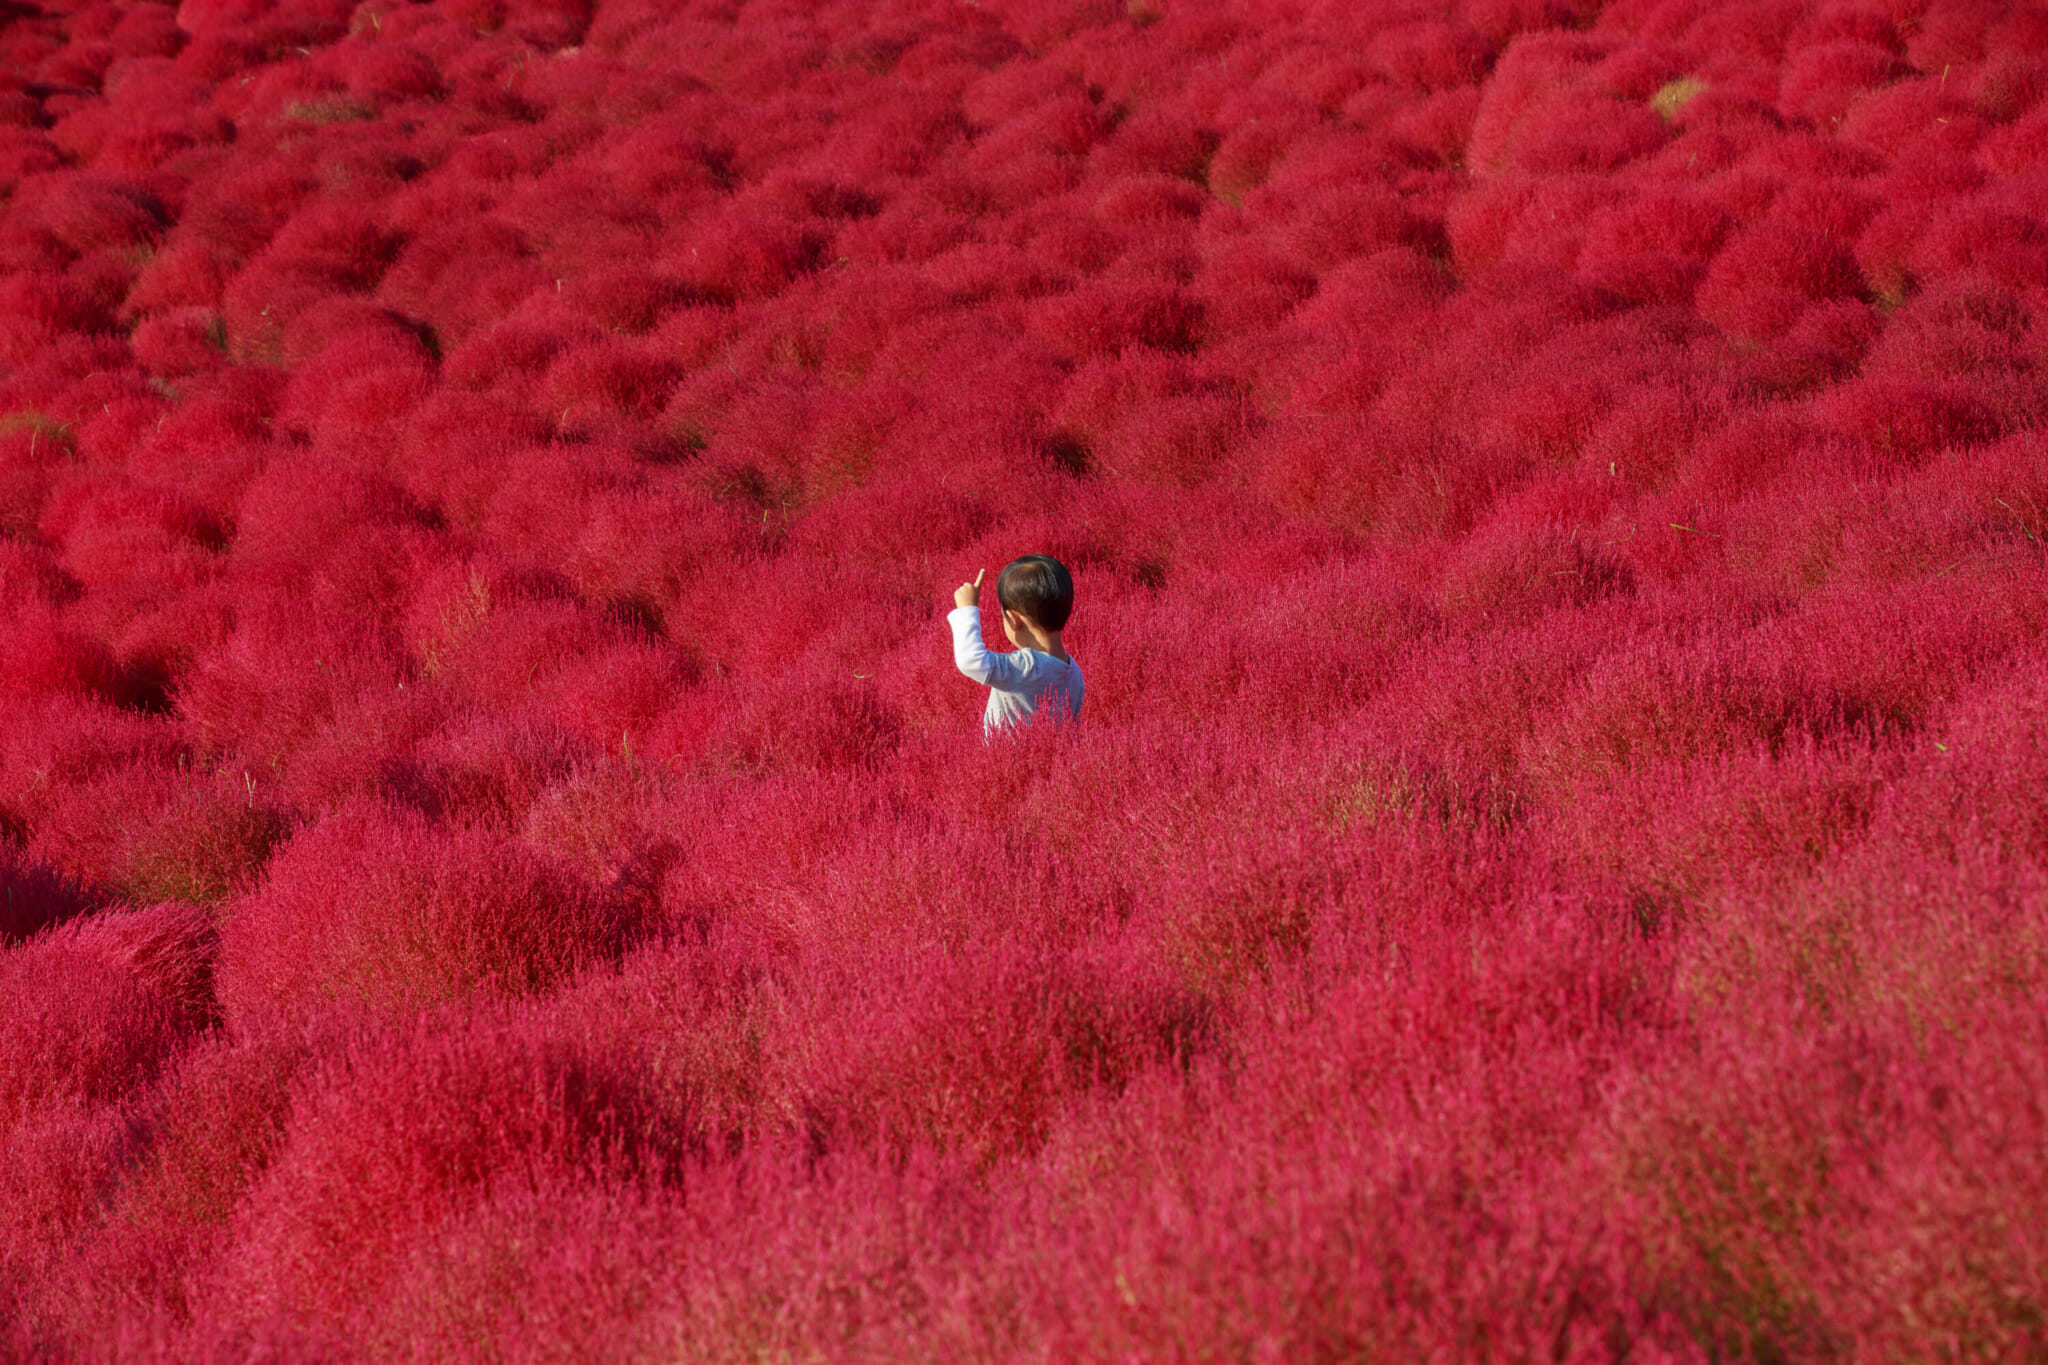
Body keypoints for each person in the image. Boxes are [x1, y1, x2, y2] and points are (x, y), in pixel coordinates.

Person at [947, 554, 1084, 734]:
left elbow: (971, 661)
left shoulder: (1026, 667)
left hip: (1004, 759)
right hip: (1047, 759)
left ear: (1013, 619)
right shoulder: (1074, 673)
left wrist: (967, 609)